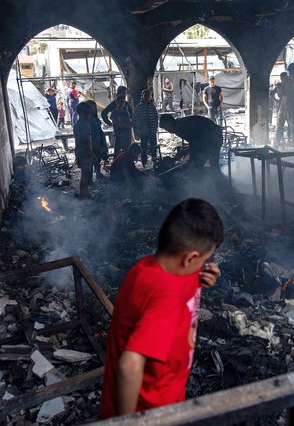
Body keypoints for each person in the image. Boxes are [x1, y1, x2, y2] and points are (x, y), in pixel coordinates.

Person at [99, 198, 223, 418]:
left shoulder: (148, 267)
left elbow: (178, 285)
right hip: (151, 410)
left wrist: (200, 281)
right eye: (204, 258)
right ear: (190, 258)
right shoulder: (167, 296)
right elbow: (130, 365)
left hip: (162, 393)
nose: (204, 264)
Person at [73, 102, 95, 199]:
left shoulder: (77, 124)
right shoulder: (85, 125)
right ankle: (83, 194)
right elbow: (86, 141)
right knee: (85, 175)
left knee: (84, 174)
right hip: (85, 153)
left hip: (80, 152)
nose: (90, 115)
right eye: (89, 113)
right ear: (83, 113)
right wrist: (92, 154)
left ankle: (84, 192)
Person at [133, 89, 159, 167]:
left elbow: (156, 117)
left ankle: (155, 162)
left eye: (148, 95)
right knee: (143, 148)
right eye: (146, 95)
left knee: (153, 146)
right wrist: (139, 129)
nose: (147, 96)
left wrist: (155, 128)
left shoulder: (152, 107)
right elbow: (136, 118)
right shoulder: (138, 107)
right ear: (142, 96)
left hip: (152, 131)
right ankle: (144, 163)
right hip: (144, 131)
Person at [85, 100, 108, 180]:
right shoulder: (87, 119)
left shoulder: (94, 118)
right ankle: (89, 179)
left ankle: (98, 174)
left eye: (94, 107)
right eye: (91, 107)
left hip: (98, 140)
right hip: (92, 142)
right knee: (92, 160)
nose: (93, 109)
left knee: (97, 158)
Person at [271, 72, 290, 147]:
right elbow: (272, 93)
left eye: (284, 77)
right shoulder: (280, 86)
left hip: (288, 107)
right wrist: (276, 100)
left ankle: (288, 140)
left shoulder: (288, 85)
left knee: (289, 125)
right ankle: (278, 142)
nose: (283, 79)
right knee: (280, 125)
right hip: (282, 107)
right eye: (282, 78)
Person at [285, 63, 294, 145]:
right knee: (289, 124)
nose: (289, 72)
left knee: (293, 124)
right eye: (289, 71)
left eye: (290, 71)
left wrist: (288, 93)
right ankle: (289, 140)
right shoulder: (287, 80)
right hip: (287, 105)